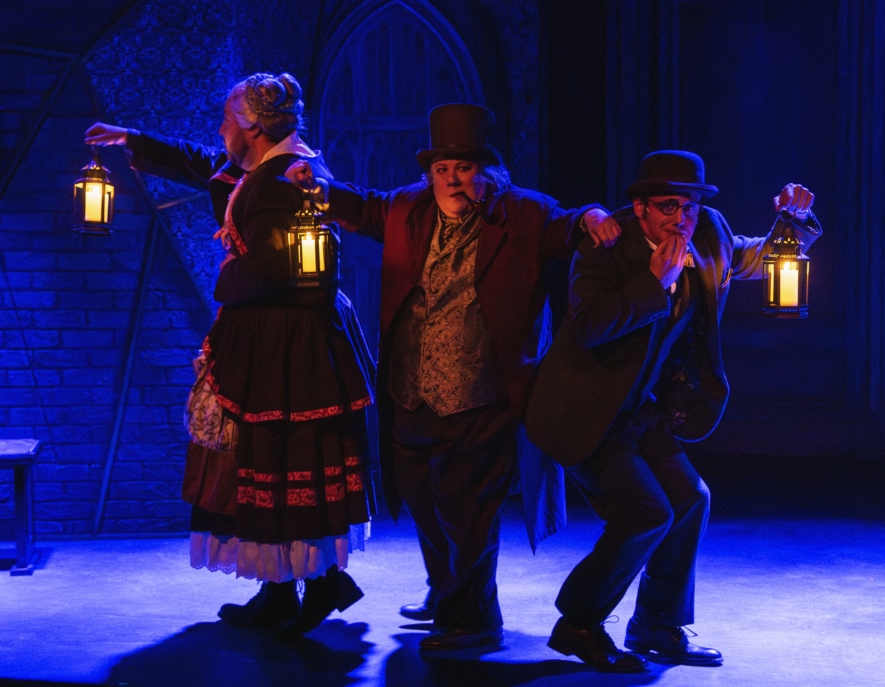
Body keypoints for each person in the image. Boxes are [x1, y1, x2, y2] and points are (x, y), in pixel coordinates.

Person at [286, 103, 621, 651]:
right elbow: (363, 206)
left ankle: (474, 620)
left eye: (464, 168)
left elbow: (568, 225)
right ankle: (447, 593)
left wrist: (592, 216)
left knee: (469, 512)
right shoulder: (409, 208)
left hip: (481, 396)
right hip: (411, 391)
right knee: (423, 498)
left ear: (488, 172)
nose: (452, 180)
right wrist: (319, 189)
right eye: (442, 169)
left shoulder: (523, 213)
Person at [83, 72, 374, 636]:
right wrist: (132, 140)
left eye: (225, 121)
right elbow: (206, 164)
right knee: (264, 458)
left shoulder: (288, 178)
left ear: (253, 127)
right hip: (272, 331)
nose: (220, 131)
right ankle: (286, 588)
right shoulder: (266, 168)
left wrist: (227, 277)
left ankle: (314, 584)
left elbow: (279, 266)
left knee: (283, 453)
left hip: (288, 339)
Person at [525, 150, 822, 672]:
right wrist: (653, 283)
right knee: (645, 512)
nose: (680, 218)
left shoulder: (708, 233)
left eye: (688, 206)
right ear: (640, 208)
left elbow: (757, 258)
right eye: (667, 206)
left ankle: (657, 624)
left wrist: (792, 222)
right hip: (585, 411)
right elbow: (588, 328)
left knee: (690, 499)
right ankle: (578, 624)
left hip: (642, 411)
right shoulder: (606, 245)